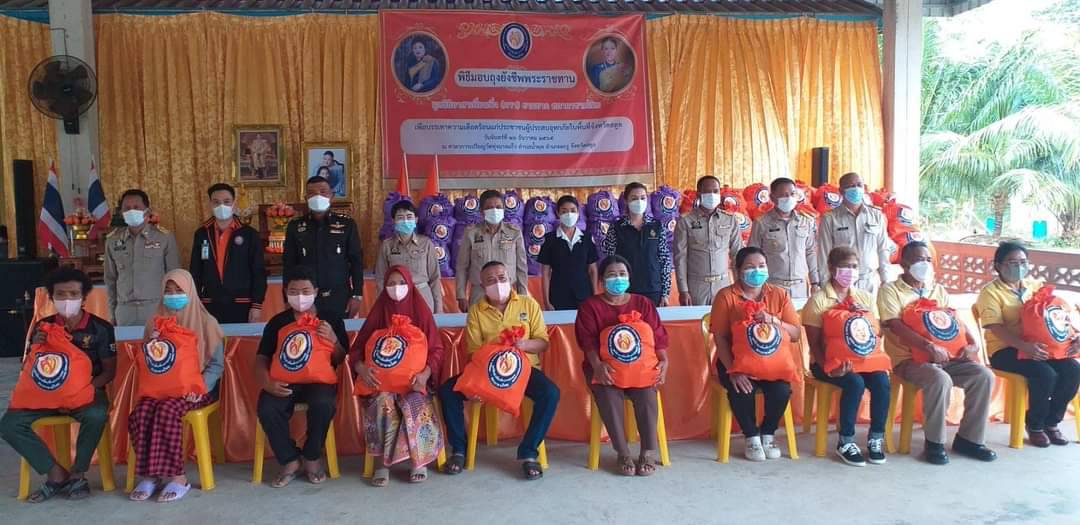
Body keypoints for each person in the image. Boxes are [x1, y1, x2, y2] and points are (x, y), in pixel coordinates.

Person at [1, 267, 116, 502]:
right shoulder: (43, 326)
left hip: (87, 394)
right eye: (60, 294)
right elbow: (29, 367)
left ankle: (78, 474)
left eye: (73, 294)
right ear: (52, 298)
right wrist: (35, 345)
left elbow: (109, 372)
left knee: (96, 416)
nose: (67, 299)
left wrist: (81, 391)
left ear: (84, 297)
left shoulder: (101, 328)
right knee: (9, 424)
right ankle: (55, 473)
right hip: (45, 395)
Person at [878, 241, 996, 465]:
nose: (924, 264)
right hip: (910, 360)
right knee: (940, 379)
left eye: (928, 260)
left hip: (949, 357)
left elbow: (955, 320)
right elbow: (895, 325)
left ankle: (969, 440)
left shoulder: (937, 290)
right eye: (918, 259)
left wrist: (972, 344)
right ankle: (935, 443)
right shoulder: (890, 290)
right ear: (904, 264)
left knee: (984, 376)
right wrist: (929, 347)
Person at [439, 261, 559, 480]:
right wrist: (478, 383)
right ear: (482, 285)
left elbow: (543, 343)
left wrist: (524, 345)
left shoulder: (528, 304)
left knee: (550, 393)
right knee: (448, 390)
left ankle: (528, 451)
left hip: (524, 370)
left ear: (510, 279)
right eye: (491, 281)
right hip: (487, 371)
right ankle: (458, 450)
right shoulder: (476, 311)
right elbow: (474, 353)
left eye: (502, 278)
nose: (498, 284)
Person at [128, 269, 225, 502]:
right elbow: (147, 361)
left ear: (190, 291)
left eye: (179, 290)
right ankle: (151, 475)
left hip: (196, 390)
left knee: (166, 411)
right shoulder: (154, 322)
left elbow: (216, 366)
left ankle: (178, 477)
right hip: (160, 388)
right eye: (168, 291)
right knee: (140, 413)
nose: (173, 296)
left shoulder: (206, 322)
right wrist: (154, 343)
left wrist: (198, 388)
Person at [975, 241, 1080, 447]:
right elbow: (995, 327)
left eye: (1023, 262)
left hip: (1042, 347)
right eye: (1012, 262)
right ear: (998, 266)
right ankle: (1035, 425)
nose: (1019, 267)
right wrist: (1024, 347)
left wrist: (1074, 335)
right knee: (1045, 374)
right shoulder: (990, 292)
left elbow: (1055, 314)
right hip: (1006, 350)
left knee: (1073, 370)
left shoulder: (1035, 287)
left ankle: (1051, 421)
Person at [574, 255, 669, 476]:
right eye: (611, 275)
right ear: (601, 281)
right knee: (608, 394)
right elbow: (587, 342)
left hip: (641, 368)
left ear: (629, 277)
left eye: (622, 274)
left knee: (646, 395)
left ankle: (648, 451)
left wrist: (664, 361)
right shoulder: (590, 306)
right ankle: (623, 452)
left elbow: (658, 337)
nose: (617, 279)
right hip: (604, 367)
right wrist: (598, 366)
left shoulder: (643, 303)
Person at [255, 266, 349, 487]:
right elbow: (261, 358)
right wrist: (267, 383)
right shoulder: (277, 322)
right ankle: (289, 460)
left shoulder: (331, 318)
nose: (300, 297)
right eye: (294, 291)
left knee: (323, 404)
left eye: (306, 291)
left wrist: (333, 339)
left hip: (319, 381)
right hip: (284, 381)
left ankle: (312, 456)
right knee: (267, 407)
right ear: (285, 292)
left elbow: (341, 358)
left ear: (315, 291)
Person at [351, 266, 445, 486]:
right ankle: (382, 464)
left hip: (415, 384)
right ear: (384, 287)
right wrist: (362, 368)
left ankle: (418, 461)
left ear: (410, 285)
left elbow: (437, 349)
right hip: (382, 386)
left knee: (415, 402)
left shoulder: (420, 311)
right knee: (384, 402)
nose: (396, 288)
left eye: (401, 283)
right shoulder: (379, 311)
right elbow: (356, 350)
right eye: (391, 284)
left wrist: (425, 374)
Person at [709, 247, 801, 461]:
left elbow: (796, 334)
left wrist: (773, 320)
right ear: (738, 270)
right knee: (742, 389)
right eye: (750, 267)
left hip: (773, 362)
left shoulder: (779, 295)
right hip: (735, 361)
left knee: (782, 390)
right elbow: (720, 338)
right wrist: (733, 370)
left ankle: (768, 433)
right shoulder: (726, 296)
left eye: (761, 266)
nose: (757, 271)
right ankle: (751, 437)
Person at [801, 246, 890, 466]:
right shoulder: (818, 300)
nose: (850, 271)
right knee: (854, 382)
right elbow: (814, 344)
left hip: (863, 360)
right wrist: (830, 369)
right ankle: (846, 441)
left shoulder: (865, 298)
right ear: (832, 268)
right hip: (825, 363)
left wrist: (862, 315)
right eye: (844, 266)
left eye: (854, 266)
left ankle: (876, 438)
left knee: (881, 381)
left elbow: (877, 333)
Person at [283, 175, 364, 318]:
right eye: (312, 193)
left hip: (339, 298)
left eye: (323, 192)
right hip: (306, 299)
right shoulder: (295, 226)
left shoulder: (347, 224)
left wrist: (357, 294)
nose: (318, 196)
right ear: (306, 198)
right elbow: (289, 264)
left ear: (332, 196)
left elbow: (356, 262)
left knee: (338, 332)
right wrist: (288, 298)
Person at [190, 183, 267, 324]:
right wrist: (197, 302)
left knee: (239, 338)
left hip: (242, 302)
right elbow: (195, 271)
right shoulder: (202, 233)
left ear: (234, 203)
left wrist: (257, 305)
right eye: (216, 202)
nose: (221, 206)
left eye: (226, 202)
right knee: (212, 339)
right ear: (209, 204)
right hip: (210, 303)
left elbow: (258, 272)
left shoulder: (249, 234)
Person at [105, 189, 180, 326]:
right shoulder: (112, 240)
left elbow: (174, 277)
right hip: (125, 310)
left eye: (136, 207)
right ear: (121, 212)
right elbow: (111, 280)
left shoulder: (163, 237)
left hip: (156, 308)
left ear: (147, 211)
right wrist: (112, 312)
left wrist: (173, 311)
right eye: (127, 208)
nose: (131, 211)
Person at [815, 172, 893, 294]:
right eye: (851, 186)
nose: (856, 188)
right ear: (841, 191)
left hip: (869, 281)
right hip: (841, 282)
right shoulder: (830, 218)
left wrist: (886, 279)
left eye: (859, 185)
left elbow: (883, 249)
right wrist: (826, 285)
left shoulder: (877, 216)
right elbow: (824, 254)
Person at [454, 190, 528, 311]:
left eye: (498, 207)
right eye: (489, 208)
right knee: (479, 322)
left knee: (508, 322)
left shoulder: (514, 232)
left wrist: (523, 294)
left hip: (507, 291)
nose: (494, 210)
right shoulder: (471, 233)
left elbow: (521, 267)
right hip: (480, 292)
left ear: (504, 209)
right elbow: (462, 266)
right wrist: (461, 296)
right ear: (481, 211)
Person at [674, 176, 743, 306]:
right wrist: (683, 290)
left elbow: (737, 255)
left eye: (715, 191)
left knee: (725, 318)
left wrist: (740, 285)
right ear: (698, 194)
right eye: (707, 191)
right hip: (696, 287)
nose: (712, 195)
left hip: (723, 284)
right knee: (697, 319)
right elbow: (680, 258)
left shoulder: (730, 220)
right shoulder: (685, 221)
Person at [749, 177, 820, 301]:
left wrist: (815, 282)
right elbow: (753, 255)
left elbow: (810, 252)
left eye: (792, 194)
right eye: (784, 195)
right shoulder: (761, 223)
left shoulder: (805, 221)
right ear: (772, 198)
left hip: (800, 287)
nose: (789, 198)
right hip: (773, 286)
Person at [603, 182, 673, 307]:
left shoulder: (657, 226)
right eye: (634, 198)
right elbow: (609, 260)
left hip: (653, 288)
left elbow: (664, 260)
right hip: (625, 289)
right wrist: (612, 290)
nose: (639, 201)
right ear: (626, 201)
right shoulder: (616, 227)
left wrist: (665, 293)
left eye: (642, 198)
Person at [374, 200, 443, 313]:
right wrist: (382, 308)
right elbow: (381, 279)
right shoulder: (387, 245)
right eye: (400, 217)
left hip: (422, 296)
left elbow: (435, 278)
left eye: (409, 217)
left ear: (416, 220)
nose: (405, 221)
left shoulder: (426, 243)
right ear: (394, 221)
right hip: (396, 298)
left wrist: (438, 309)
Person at [539, 195, 598, 310]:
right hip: (558, 296)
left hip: (584, 295)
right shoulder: (550, 239)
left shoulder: (587, 238)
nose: (569, 214)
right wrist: (546, 301)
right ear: (558, 213)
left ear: (578, 213)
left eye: (573, 210)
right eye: (564, 211)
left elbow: (593, 270)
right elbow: (546, 273)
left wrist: (595, 297)